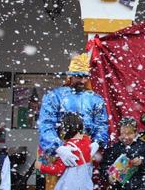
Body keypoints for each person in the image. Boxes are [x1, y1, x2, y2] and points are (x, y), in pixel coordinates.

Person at [37, 53, 109, 188]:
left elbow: (102, 125)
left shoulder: (95, 99)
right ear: (70, 76)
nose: (82, 81)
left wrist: (97, 144)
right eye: (79, 76)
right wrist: (58, 148)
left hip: (84, 151)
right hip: (56, 153)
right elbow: (45, 125)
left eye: (85, 76)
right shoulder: (54, 96)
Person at [35, 113, 93, 190]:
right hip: (85, 184)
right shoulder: (87, 141)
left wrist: (40, 166)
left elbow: (57, 170)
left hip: (70, 186)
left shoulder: (68, 148)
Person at [101, 117, 145, 190]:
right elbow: (105, 165)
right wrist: (108, 176)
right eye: (122, 133)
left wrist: (142, 161)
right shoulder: (114, 148)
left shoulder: (144, 146)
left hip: (140, 186)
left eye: (129, 133)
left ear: (136, 133)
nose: (125, 137)